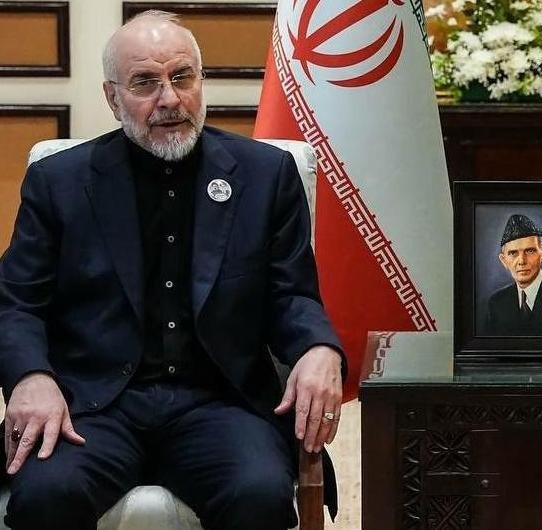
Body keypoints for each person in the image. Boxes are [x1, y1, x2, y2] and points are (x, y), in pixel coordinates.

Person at [0, 11, 345, 530]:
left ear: (201, 81)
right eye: (145, 83)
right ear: (113, 98)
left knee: (259, 494)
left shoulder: (265, 175)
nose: (169, 98)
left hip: (220, 402)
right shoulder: (60, 182)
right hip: (92, 405)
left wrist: (319, 348)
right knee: (47, 494)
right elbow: (16, 302)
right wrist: (31, 378)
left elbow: (292, 295)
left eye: (182, 77)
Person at [482, 214, 542, 336]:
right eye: (513, 253)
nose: (522, 261)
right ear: (503, 261)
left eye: (530, 251)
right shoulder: (496, 303)